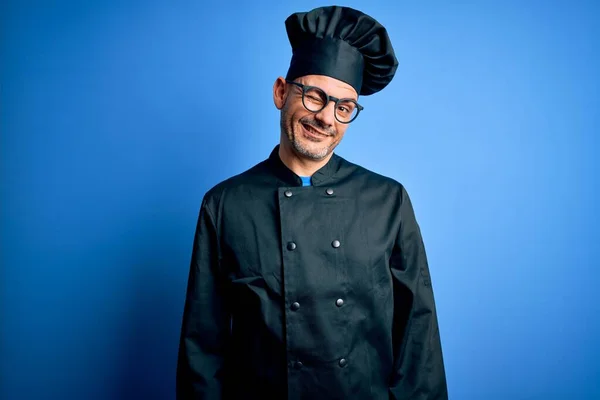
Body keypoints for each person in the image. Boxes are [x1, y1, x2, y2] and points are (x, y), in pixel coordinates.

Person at [176, 5, 447, 400]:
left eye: (344, 107)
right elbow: (202, 347)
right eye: (315, 96)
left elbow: (418, 338)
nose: (326, 118)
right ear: (281, 92)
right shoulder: (224, 204)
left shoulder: (389, 201)